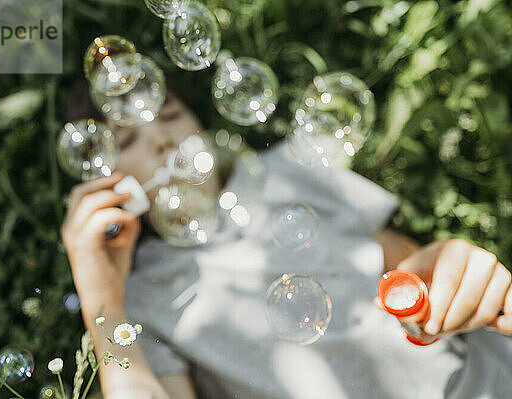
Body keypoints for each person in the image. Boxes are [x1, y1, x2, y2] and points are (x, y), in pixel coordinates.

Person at [62, 93, 512, 399]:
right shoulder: (140, 300)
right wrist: (102, 301)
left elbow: (406, 265)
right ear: (104, 178)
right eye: (127, 140)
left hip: (485, 375)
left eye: (171, 114)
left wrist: (441, 282)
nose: (161, 139)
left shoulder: (289, 167)